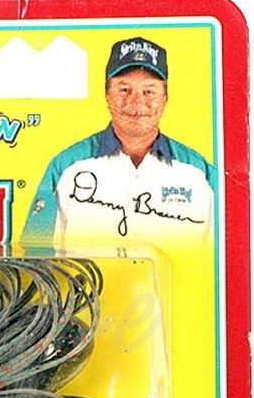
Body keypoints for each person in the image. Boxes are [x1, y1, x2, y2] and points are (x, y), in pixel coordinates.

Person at [21, 37, 216, 245]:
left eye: (149, 91)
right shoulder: (65, 167)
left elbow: (225, 253)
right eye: (124, 90)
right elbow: (34, 253)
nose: (137, 101)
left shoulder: (200, 173)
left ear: (165, 99)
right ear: (107, 95)